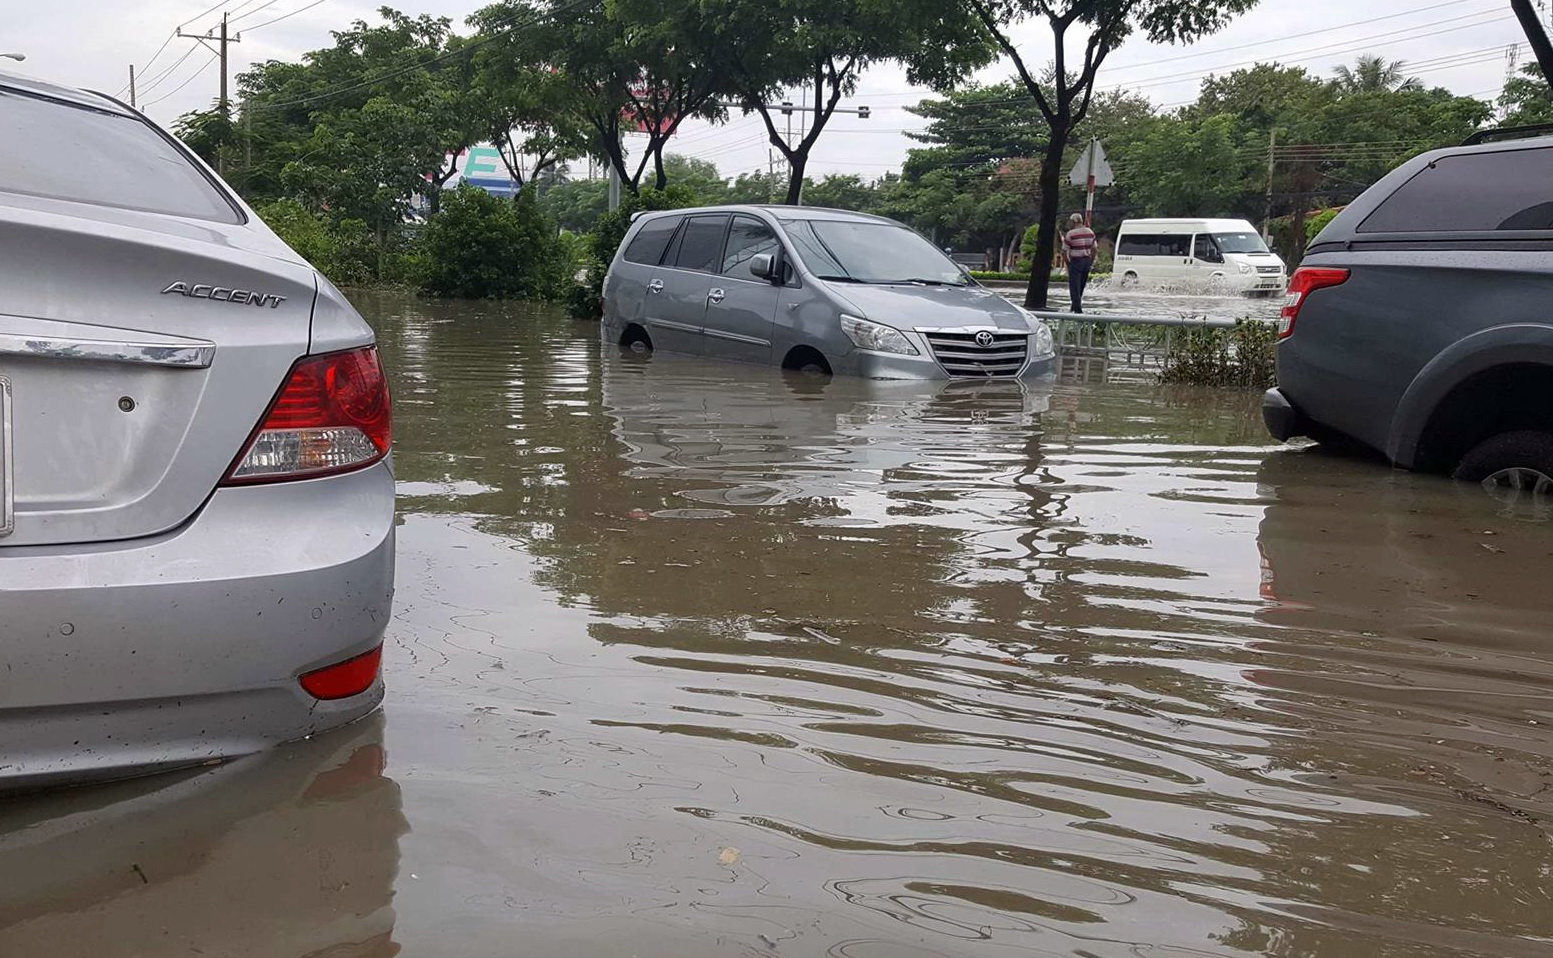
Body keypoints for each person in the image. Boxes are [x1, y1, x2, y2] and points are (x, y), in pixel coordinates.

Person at [1061, 213, 1096, 314]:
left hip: (1076, 261)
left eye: (1070, 221)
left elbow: (1063, 251)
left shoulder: (1071, 234)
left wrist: (1068, 263)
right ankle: (1075, 306)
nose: (1069, 223)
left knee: (1074, 286)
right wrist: (1091, 261)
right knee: (1081, 285)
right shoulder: (1090, 232)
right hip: (1086, 260)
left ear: (1074, 221)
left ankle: (1077, 309)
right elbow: (1094, 249)